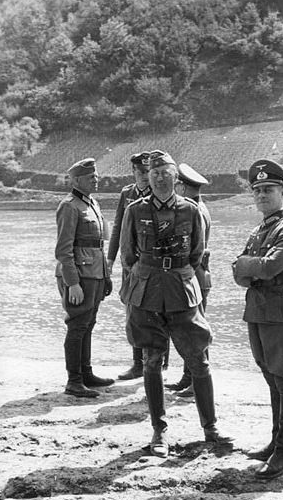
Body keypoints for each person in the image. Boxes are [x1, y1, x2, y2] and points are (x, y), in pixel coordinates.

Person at [119, 150, 232, 457]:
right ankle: (159, 430)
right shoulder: (134, 210)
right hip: (147, 293)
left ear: (175, 178)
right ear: (149, 177)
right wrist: (148, 274)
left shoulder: (190, 210)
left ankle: (211, 428)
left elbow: (196, 254)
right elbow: (128, 255)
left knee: (198, 359)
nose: (159, 178)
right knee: (152, 361)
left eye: (166, 174)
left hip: (182, 292)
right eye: (154, 174)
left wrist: (176, 273)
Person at [232, 159, 283, 480]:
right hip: (260, 311)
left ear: (282, 193)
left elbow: (268, 267)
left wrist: (249, 265)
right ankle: (276, 443)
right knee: (271, 377)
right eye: (258, 191)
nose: (262, 195)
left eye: (269, 189)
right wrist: (251, 267)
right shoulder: (260, 230)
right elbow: (239, 274)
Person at [55, 158, 114, 398]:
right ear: (77, 180)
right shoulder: (69, 206)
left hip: (95, 273)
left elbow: (99, 245)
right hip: (80, 275)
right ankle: (74, 381)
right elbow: (63, 250)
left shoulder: (92, 204)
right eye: (91, 177)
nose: (96, 180)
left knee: (89, 323)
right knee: (78, 325)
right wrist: (73, 283)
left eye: (96, 176)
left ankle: (86, 374)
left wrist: (106, 276)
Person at [166, 162, 212, 397]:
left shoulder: (193, 210)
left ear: (182, 188)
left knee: (195, 331)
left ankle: (197, 382)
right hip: (197, 275)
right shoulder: (199, 207)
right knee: (190, 327)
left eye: (177, 185)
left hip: (195, 276)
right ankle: (188, 378)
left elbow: (194, 249)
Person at [106, 151, 152, 380]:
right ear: (133, 171)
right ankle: (137, 363)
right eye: (141, 171)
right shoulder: (127, 194)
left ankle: (157, 363)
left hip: (151, 264)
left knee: (156, 312)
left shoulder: (158, 193)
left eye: (148, 171)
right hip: (129, 264)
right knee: (133, 312)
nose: (145, 176)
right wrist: (110, 259)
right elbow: (117, 228)